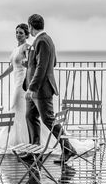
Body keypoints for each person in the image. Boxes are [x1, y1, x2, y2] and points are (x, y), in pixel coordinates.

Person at [23, 14, 76, 164]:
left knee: (48, 119)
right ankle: (34, 151)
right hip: (35, 90)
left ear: (31, 27)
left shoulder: (42, 41)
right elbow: (52, 63)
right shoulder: (44, 40)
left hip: (41, 90)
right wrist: (30, 63)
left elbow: (42, 66)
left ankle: (68, 148)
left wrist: (32, 87)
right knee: (30, 117)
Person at [0, 24, 54, 150]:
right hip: (16, 82)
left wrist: (27, 66)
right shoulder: (16, 49)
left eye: (21, 33)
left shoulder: (27, 47)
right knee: (19, 110)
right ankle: (21, 141)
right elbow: (12, 66)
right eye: (16, 32)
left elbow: (32, 65)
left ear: (26, 34)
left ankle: (27, 142)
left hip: (23, 83)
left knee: (17, 107)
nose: (18, 35)